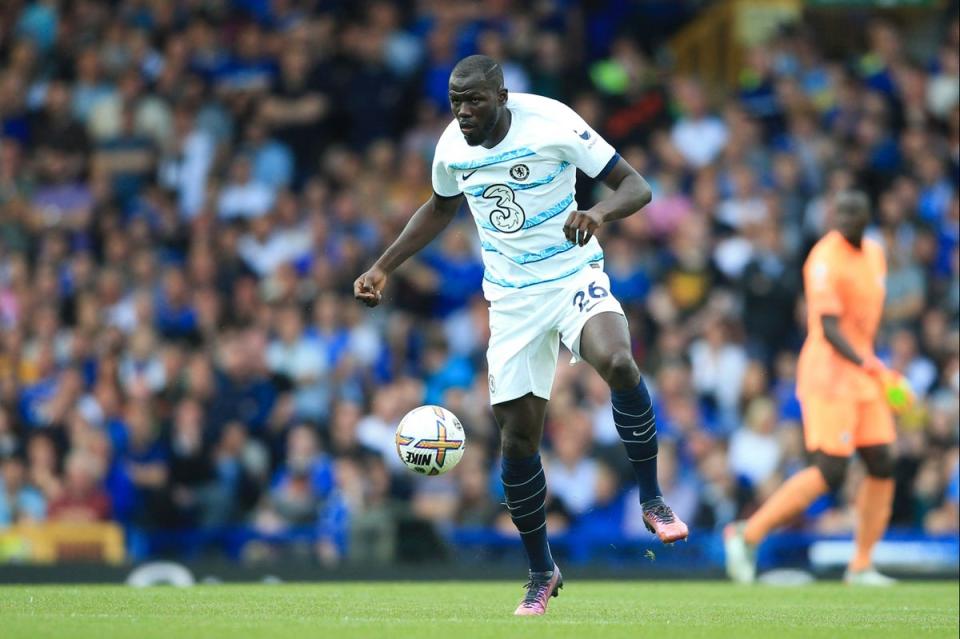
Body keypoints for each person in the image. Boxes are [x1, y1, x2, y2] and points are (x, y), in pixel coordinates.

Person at [354, 55, 687, 616]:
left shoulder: (553, 121)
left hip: (572, 274)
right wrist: (384, 266)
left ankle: (651, 498)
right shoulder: (451, 149)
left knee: (621, 364)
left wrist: (598, 213)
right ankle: (540, 571)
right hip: (511, 300)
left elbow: (637, 186)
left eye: (474, 100)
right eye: (455, 100)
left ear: (502, 96)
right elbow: (439, 208)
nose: (462, 111)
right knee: (517, 439)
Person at [724, 190, 900, 586]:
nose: (847, 217)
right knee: (831, 470)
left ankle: (861, 564)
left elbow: (867, 318)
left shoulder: (874, 253)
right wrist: (872, 364)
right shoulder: (823, 258)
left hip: (864, 372)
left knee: (882, 462)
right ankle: (746, 533)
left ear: (868, 214)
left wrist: (873, 365)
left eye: (855, 209)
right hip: (829, 373)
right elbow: (829, 328)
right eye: (841, 211)